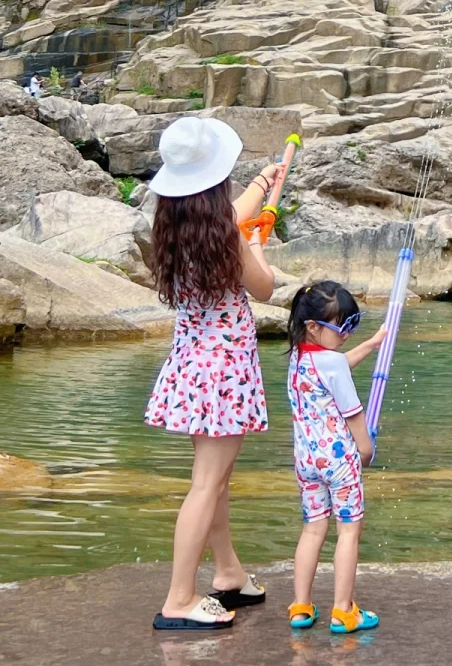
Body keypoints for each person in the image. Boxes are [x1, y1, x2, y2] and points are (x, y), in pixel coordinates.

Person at [144, 117, 280, 631]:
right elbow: (263, 288)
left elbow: (233, 214)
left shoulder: (176, 226)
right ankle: (179, 598)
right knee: (206, 486)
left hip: (193, 370)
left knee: (216, 481)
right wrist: (258, 247)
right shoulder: (226, 238)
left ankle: (228, 573)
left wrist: (264, 185)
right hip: (224, 376)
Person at [286, 282, 388, 634]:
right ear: (314, 327)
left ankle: (301, 607)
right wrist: (365, 448)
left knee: (313, 530)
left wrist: (372, 344)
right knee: (349, 532)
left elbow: (337, 366)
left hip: (306, 461)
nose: (347, 335)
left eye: (351, 328)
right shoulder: (330, 362)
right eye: (341, 328)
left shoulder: (300, 356)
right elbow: (353, 412)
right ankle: (343, 611)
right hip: (339, 461)